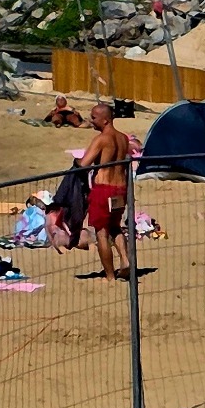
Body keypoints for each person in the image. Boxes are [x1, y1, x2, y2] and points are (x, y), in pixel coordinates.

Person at [74, 102, 133, 280]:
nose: (91, 121)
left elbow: (83, 164)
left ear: (105, 120)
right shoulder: (123, 138)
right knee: (115, 226)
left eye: (94, 117)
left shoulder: (101, 139)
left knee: (101, 231)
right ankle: (125, 259)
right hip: (120, 188)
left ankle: (109, 275)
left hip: (104, 188)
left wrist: (76, 164)